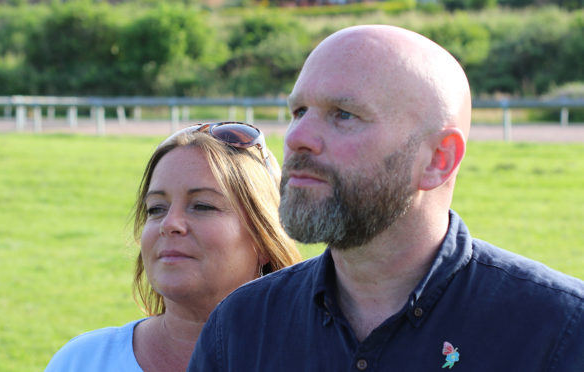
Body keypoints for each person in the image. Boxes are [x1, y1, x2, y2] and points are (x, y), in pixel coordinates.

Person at [188, 25, 584, 371]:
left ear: (438, 159)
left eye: (343, 114)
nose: (296, 138)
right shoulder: (241, 328)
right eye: (299, 111)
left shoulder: (558, 333)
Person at [45, 122, 302, 372]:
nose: (169, 224)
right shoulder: (82, 361)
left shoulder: (316, 359)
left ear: (265, 238)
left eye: (202, 206)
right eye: (156, 208)